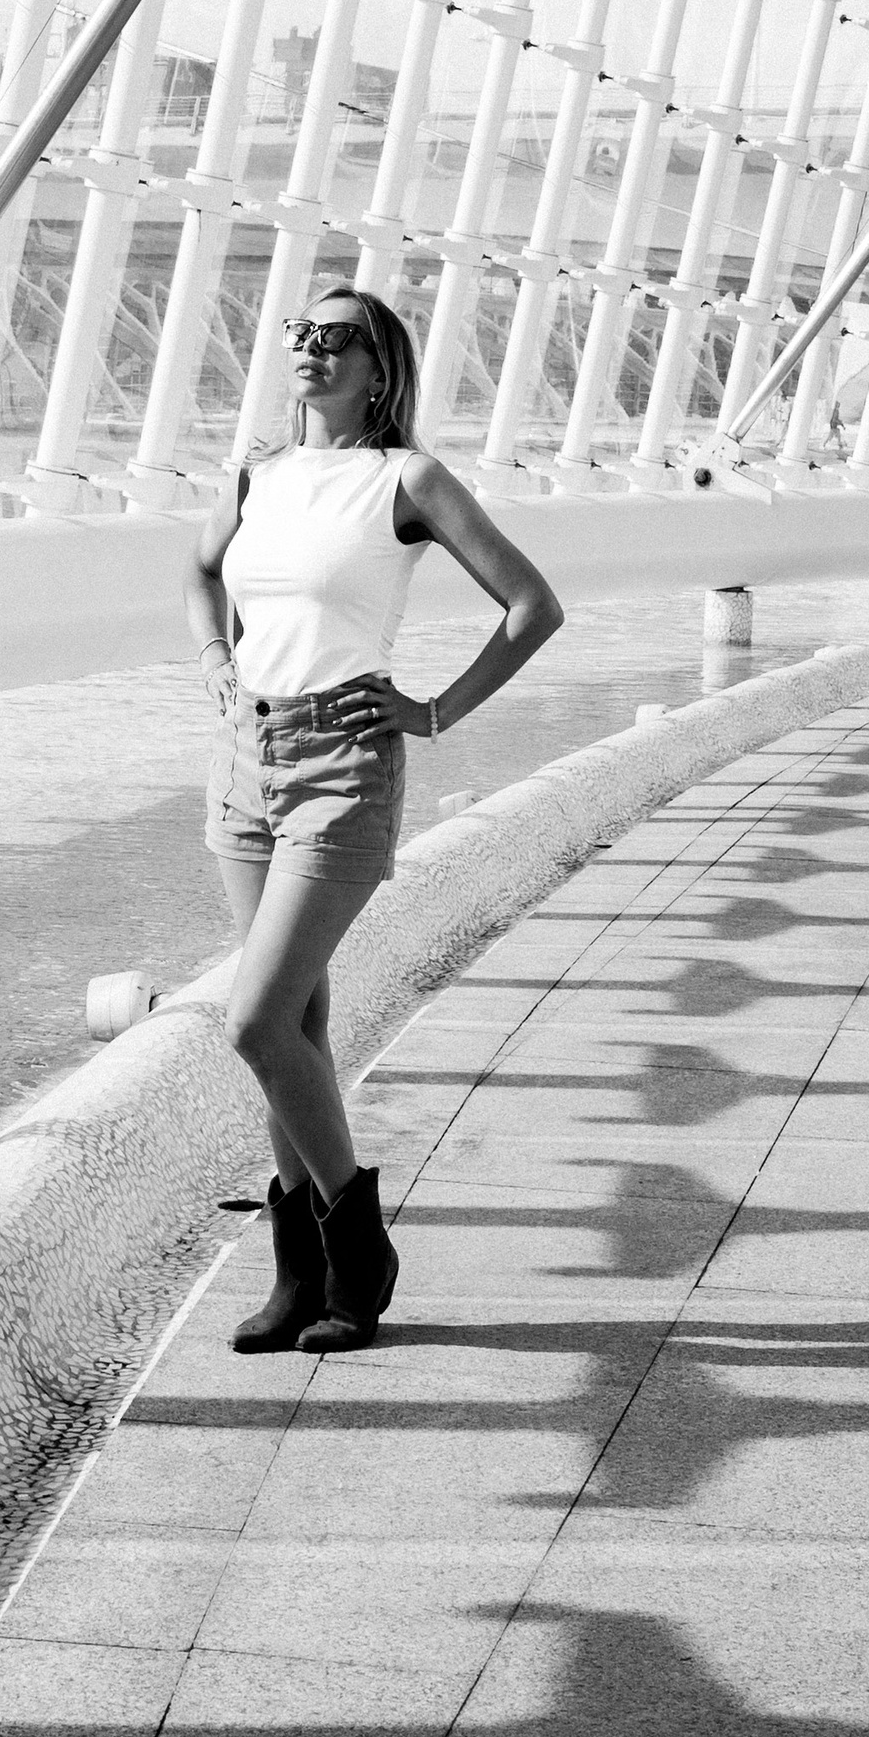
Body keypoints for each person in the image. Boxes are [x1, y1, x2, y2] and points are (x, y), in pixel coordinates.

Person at [186, 286, 563, 1355]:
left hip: (343, 763)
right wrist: (216, 661)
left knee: (255, 1019)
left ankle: (357, 1243)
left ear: (379, 363)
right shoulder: (257, 473)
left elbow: (532, 605)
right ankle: (302, 1280)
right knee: (295, 1027)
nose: (308, 347)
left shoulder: (406, 479)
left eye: (334, 337)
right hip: (243, 762)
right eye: (296, 330)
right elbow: (200, 572)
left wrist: (432, 709)